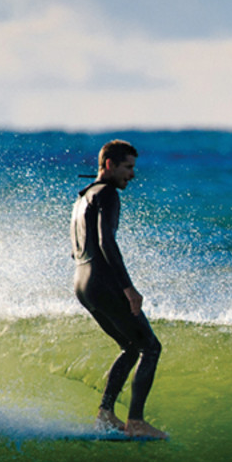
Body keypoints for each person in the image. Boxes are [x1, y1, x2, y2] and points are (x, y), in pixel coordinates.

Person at [71, 139, 168, 440]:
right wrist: (128, 289)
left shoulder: (83, 197)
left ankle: (105, 414)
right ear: (110, 165)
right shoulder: (108, 193)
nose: (133, 175)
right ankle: (136, 421)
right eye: (128, 167)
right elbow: (106, 243)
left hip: (82, 283)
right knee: (150, 347)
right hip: (102, 281)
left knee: (130, 347)